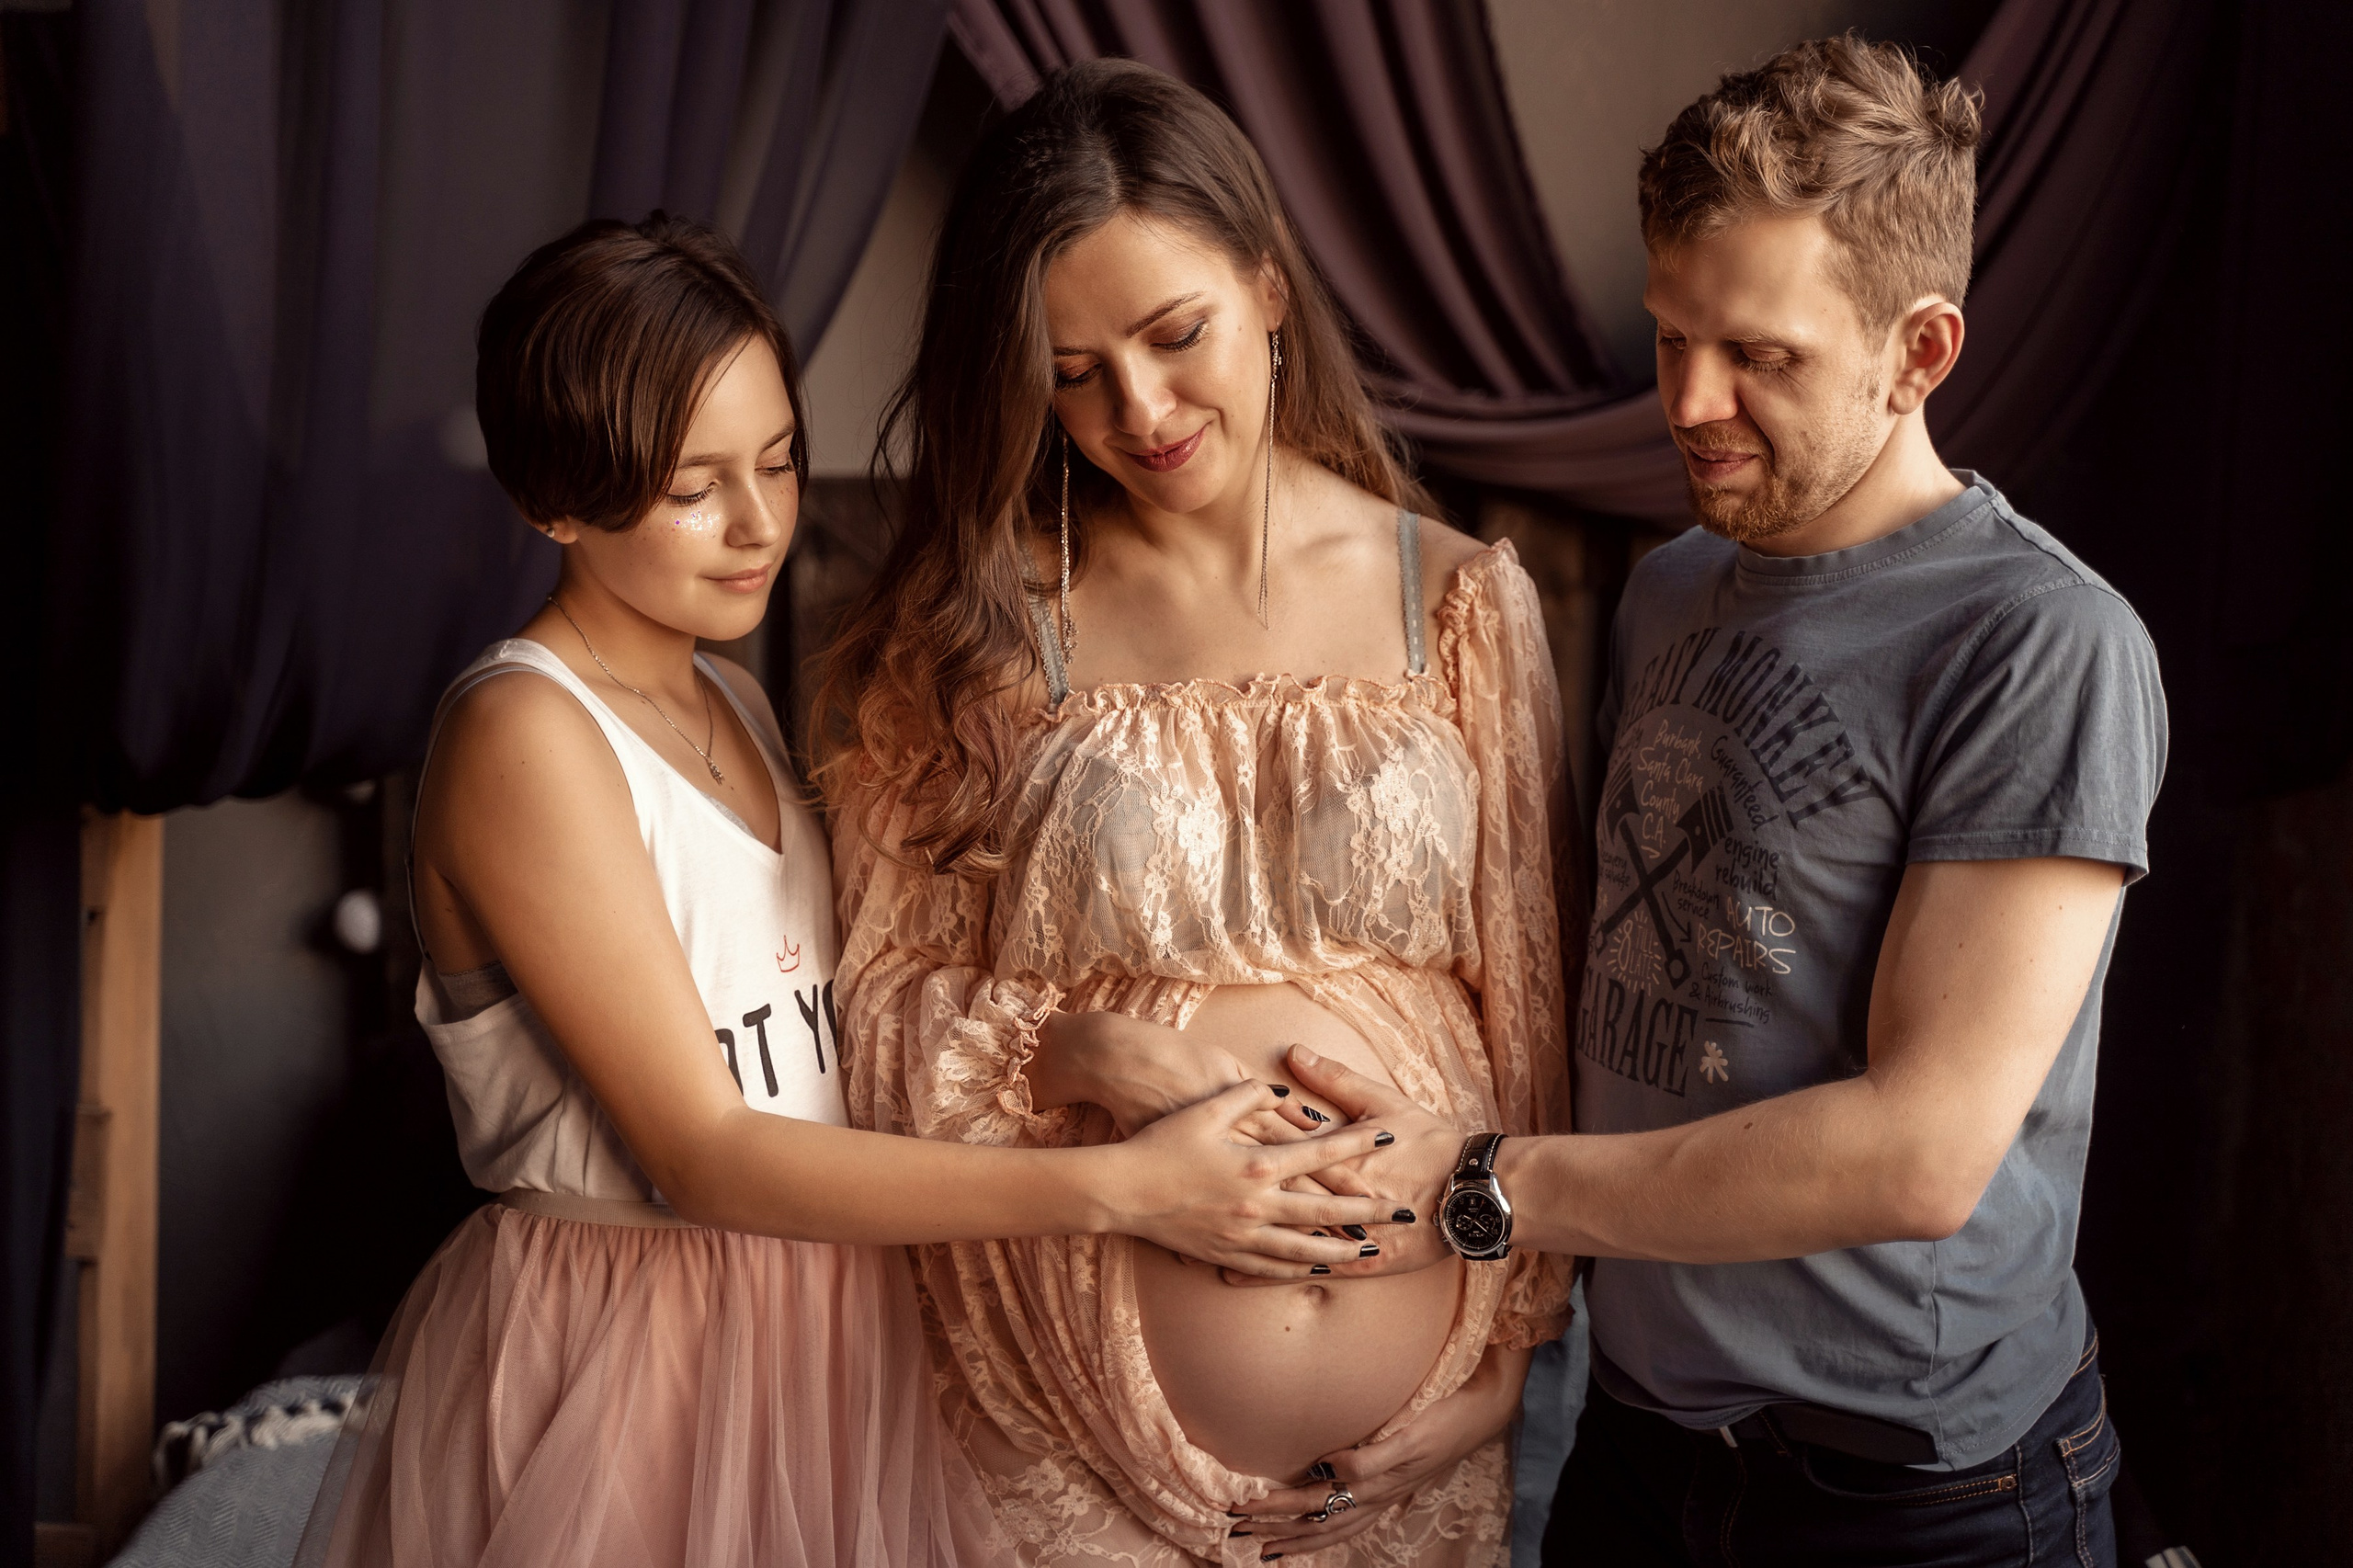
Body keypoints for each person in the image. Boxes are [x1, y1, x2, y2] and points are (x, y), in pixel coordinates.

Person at [295, 213, 1399, 1568]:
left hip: (822, 1319)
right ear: (553, 501)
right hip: (635, 1338)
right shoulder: (524, 731)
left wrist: (1090, 1054)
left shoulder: (734, 698)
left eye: (776, 459)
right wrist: (1124, 1187)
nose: (760, 524)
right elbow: (705, 1152)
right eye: (691, 489)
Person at [1278, 36, 2167, 1568]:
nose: (1691, 401)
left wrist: (1488, 1186)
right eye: (1671, 333)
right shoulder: (1672, 588)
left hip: (1915, 1498)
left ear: (1920, 351)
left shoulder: (2040, 642)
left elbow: (1918, 1152)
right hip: (1638, 1444)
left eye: (1761, 354)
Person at [816, 60, 1580, 1567]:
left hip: (1406, 1466)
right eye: (1073, 371)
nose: (1141, 411)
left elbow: (1534, 1014)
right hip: (1060, 1437)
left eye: (1177, 336)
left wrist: (1504, 1369)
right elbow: (878, 1004)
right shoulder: (979, 628)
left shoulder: (1461, 602)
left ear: (1270, 288)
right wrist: (1083, 1053)